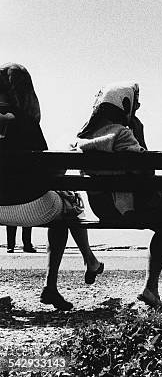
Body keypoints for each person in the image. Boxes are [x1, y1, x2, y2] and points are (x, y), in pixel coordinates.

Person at [75, 82, 162, 309]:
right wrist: (139, 135)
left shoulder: (83, 139)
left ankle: (151, 290)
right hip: (131, 207)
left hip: (104, 209)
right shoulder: (122, 134)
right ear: (124, 106)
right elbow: (146, 172)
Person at [0, 63, 103, 310]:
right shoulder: (26, 123)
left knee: (64, 199)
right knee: (68, 206)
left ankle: (89, 261)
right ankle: (51, 286)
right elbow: (48, 170)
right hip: (31, 207)